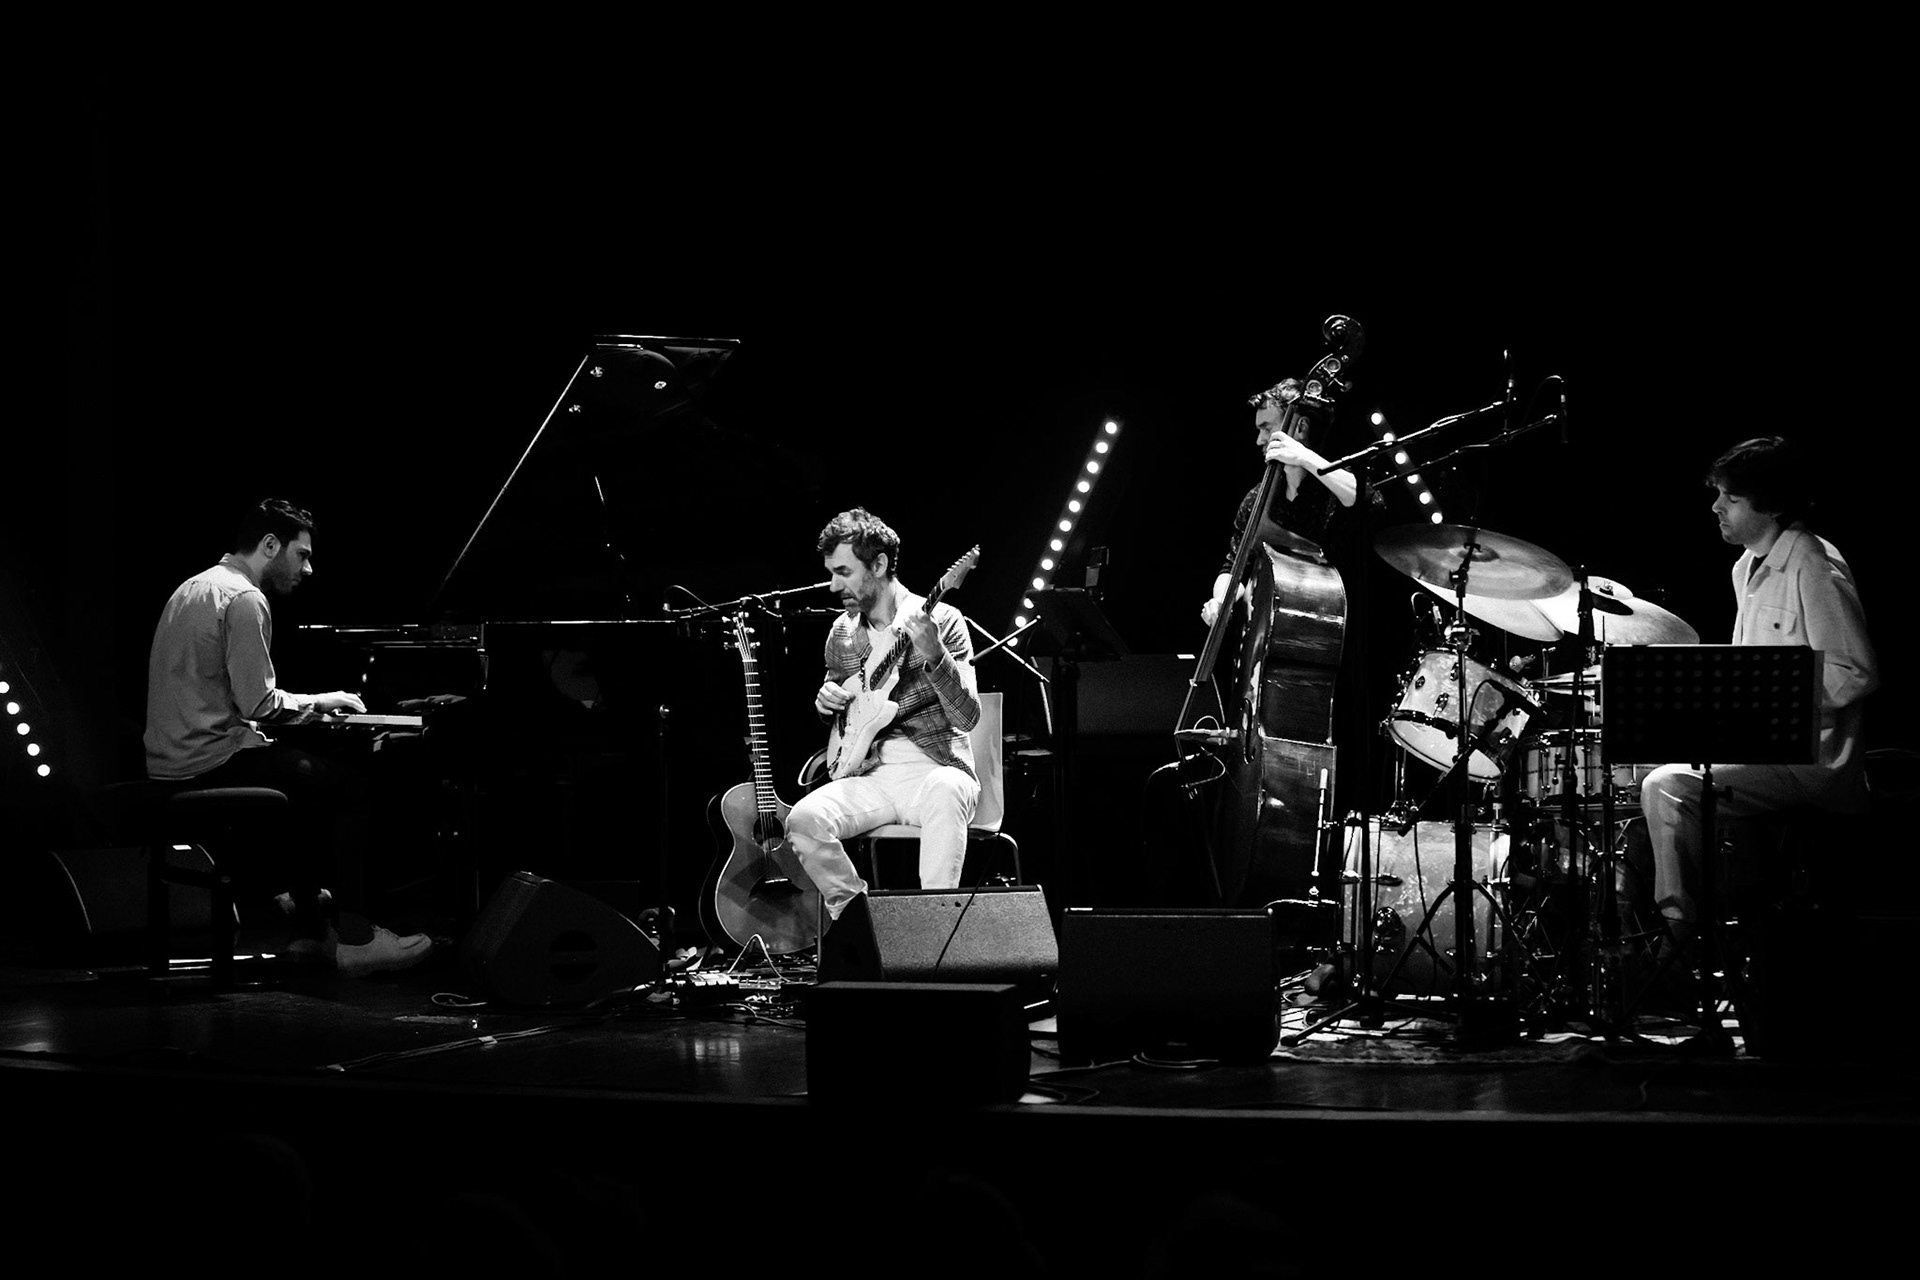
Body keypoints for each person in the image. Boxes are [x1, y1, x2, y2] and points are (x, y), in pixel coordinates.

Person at [144, 498, 434, 975]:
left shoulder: (190, 588)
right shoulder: (244, 597)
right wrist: (321, 701)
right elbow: (260, 704)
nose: (309, 568)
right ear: (270, 545)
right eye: (302, 555)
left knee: (305, 783)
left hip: (169, 761)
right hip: (207, 760)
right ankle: (358, 938)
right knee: (348, 785)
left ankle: (309, 930)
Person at [1638, 437, 1879, 954]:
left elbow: (1854, 672)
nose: (1716, 507)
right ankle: (1696, 925)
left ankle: (1679, 944)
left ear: (1770, 503)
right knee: (1645, 770)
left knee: (1668, 786)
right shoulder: (1745, 566)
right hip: (1767, 749)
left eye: (1731, 497)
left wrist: (1769, 700)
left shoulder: (1814, 564)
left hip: (1813, 763)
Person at [787, 508, 981, 922]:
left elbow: (966, 718)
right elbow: (845, 708)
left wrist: (935, 654)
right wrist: (826, 703)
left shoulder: (942, 620)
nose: (833, 584)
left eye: (843, 571)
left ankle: (937, 929)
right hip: (870, 775)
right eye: (831, 572)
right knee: (803, 819)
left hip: (936, 769)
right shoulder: (842, 632)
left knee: (948, 791)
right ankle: (861, 922)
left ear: (878, 564)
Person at [1199, 380, 1360, 628]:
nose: (1259, 440)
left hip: (1335, 631)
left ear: (1300, 427)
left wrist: (1303, 456)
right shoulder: (1257, 498)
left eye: (1267, 428)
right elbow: (1234, 567)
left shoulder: (1335, 486)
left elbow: (1364, 499)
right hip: (1266, 636)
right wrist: (1221, 600)